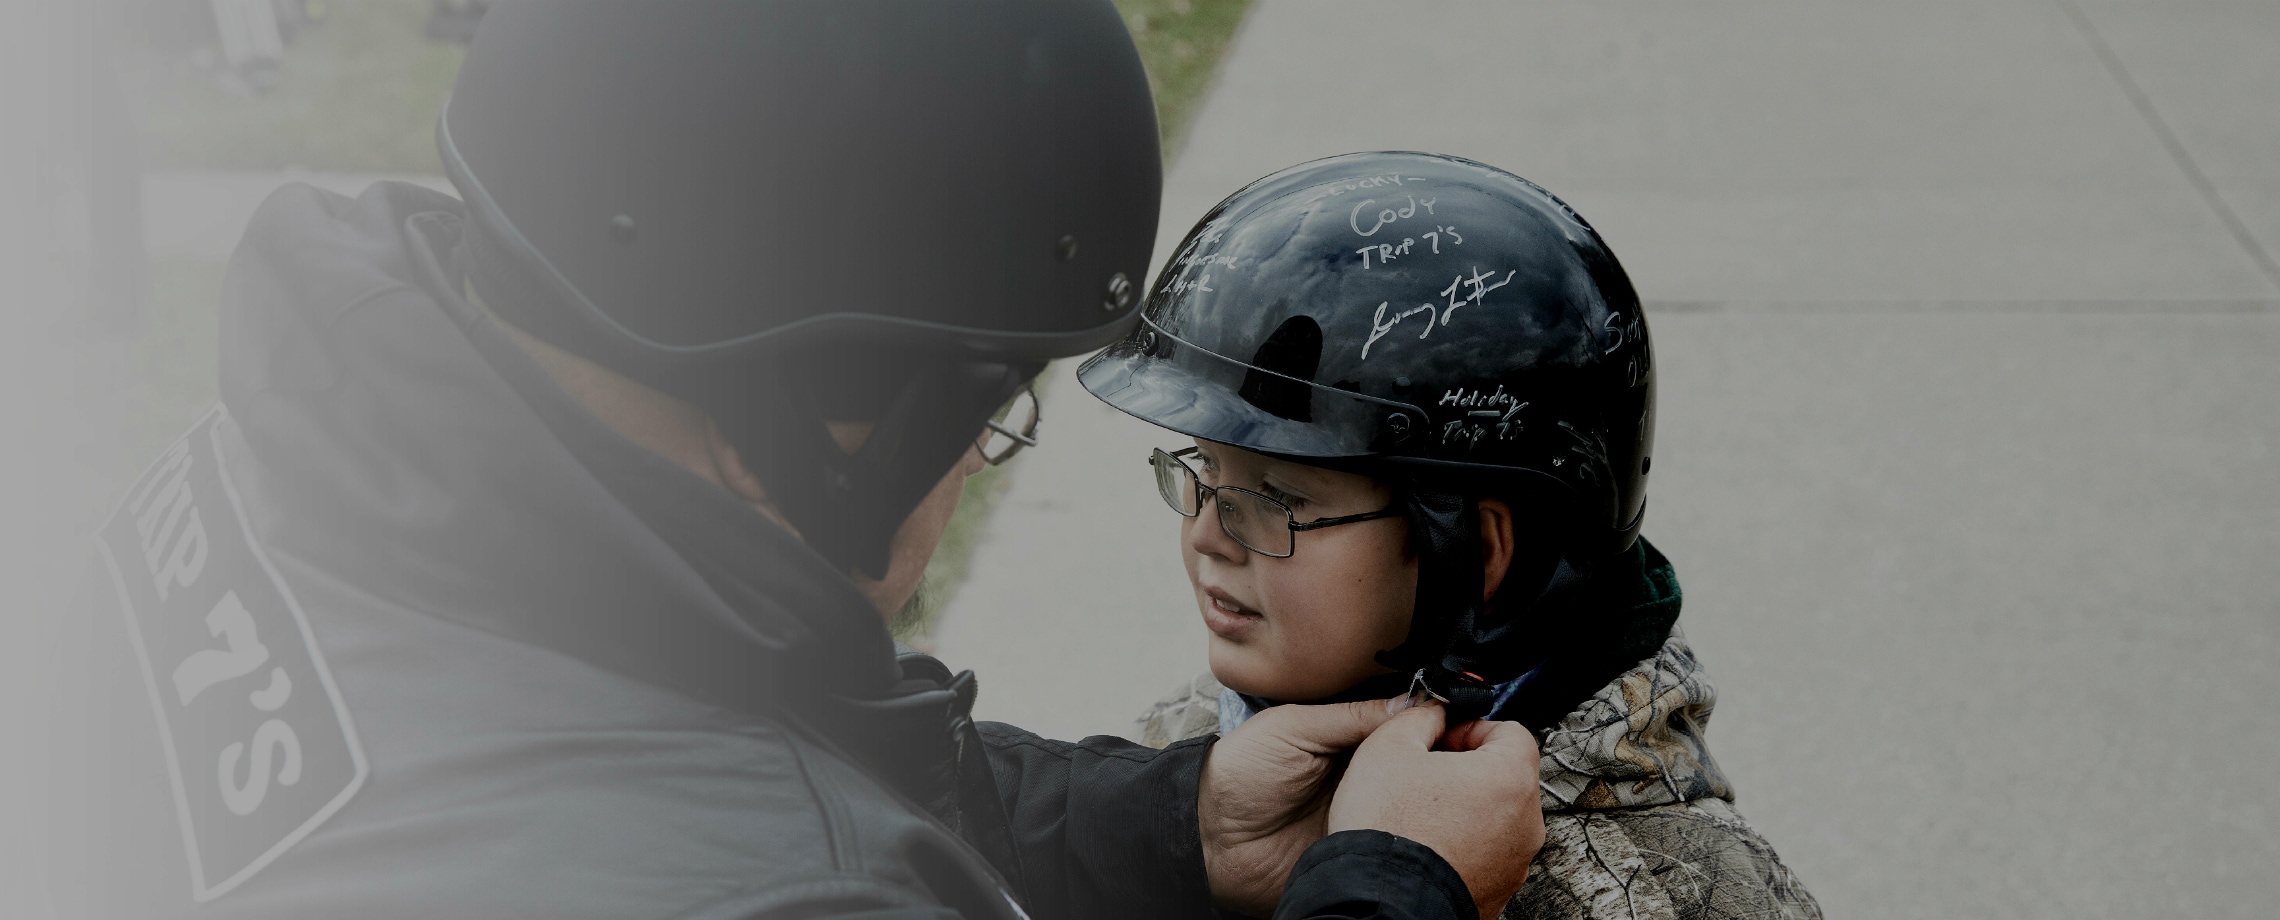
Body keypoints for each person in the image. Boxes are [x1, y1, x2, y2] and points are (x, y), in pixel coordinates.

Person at [40, 7, 1543, 920]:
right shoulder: (780, 892)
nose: (967, 482)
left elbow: (722, 727)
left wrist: (1166, 830)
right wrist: (1396, 898)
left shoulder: (299, 468)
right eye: (986, 420)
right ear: (832, 410)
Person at [1080, 152, 1824, 920]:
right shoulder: (1185, 768)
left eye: (1278, 498)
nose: (1207, 533)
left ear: (1480, 556)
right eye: (1202, 469)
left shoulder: (1667, 899)